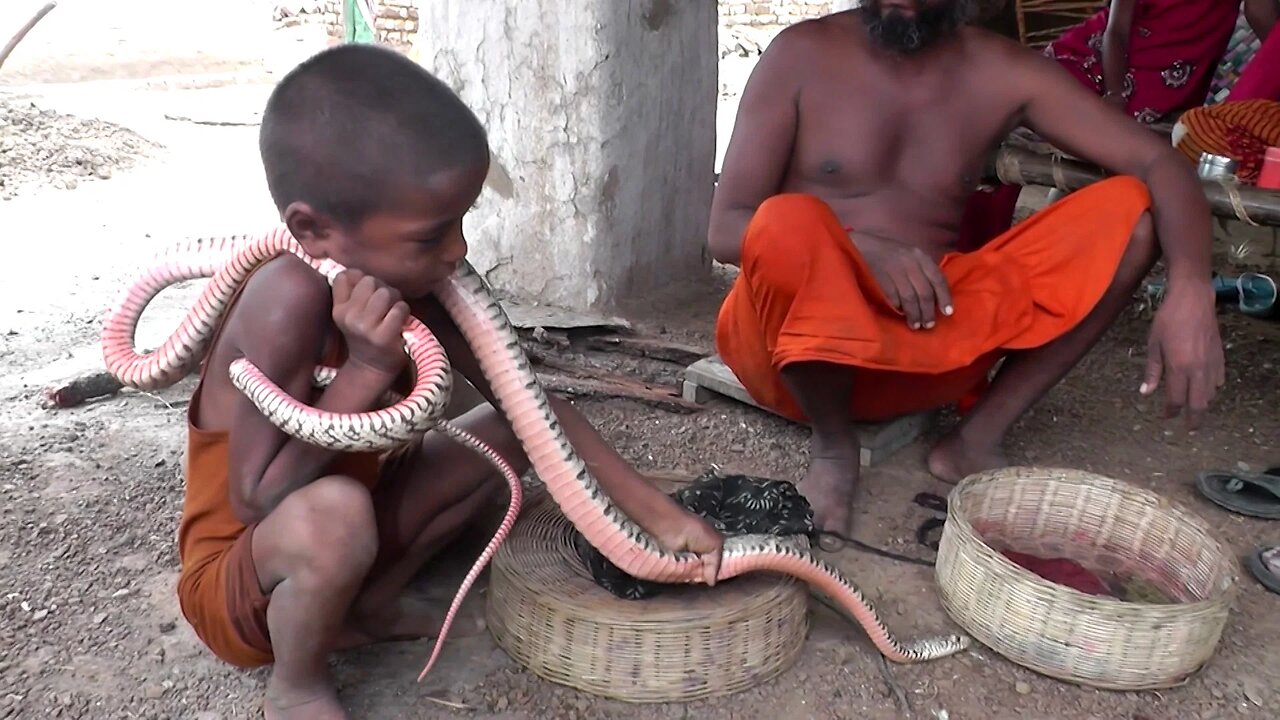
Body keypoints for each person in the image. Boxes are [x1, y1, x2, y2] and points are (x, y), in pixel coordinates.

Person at [176, 44, 723, 720]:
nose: (457, 251)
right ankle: (298, 683)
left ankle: (368, 605)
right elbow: (258, 496)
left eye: (462, 223)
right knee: (336, 512)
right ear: (313, 230)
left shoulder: (417, 281)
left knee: (510, 435)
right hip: (242, 583)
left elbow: (533, 410)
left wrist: (661, 519)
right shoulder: (284, 298)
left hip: (348, 531)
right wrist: (367, 370)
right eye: (431, 234)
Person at [708, 0, 1225, 535]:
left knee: (1130, 217)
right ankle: (835, 450)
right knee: (788, 220)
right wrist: (857, 249)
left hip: (920, 346)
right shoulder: (801, 53)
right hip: (785, 358)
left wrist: (1191, 286)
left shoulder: (1004, 71)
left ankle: (975, 438)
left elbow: (1158, 161)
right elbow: (725, 229)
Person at [1043, 0, 1240, 125]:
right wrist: (1115, 94)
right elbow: (1117, 30)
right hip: (1107, 58)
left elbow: (1258, 12)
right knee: (1042, 96)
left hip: (1163, 81)